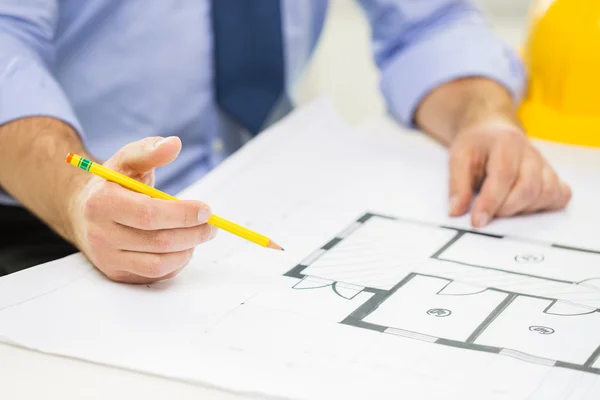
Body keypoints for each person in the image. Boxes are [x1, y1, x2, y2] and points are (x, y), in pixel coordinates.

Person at [0, 0, 571, 282]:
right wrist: (76, 193)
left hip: (263, 186)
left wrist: (484, 117)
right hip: (46, 209)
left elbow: (429, 23)